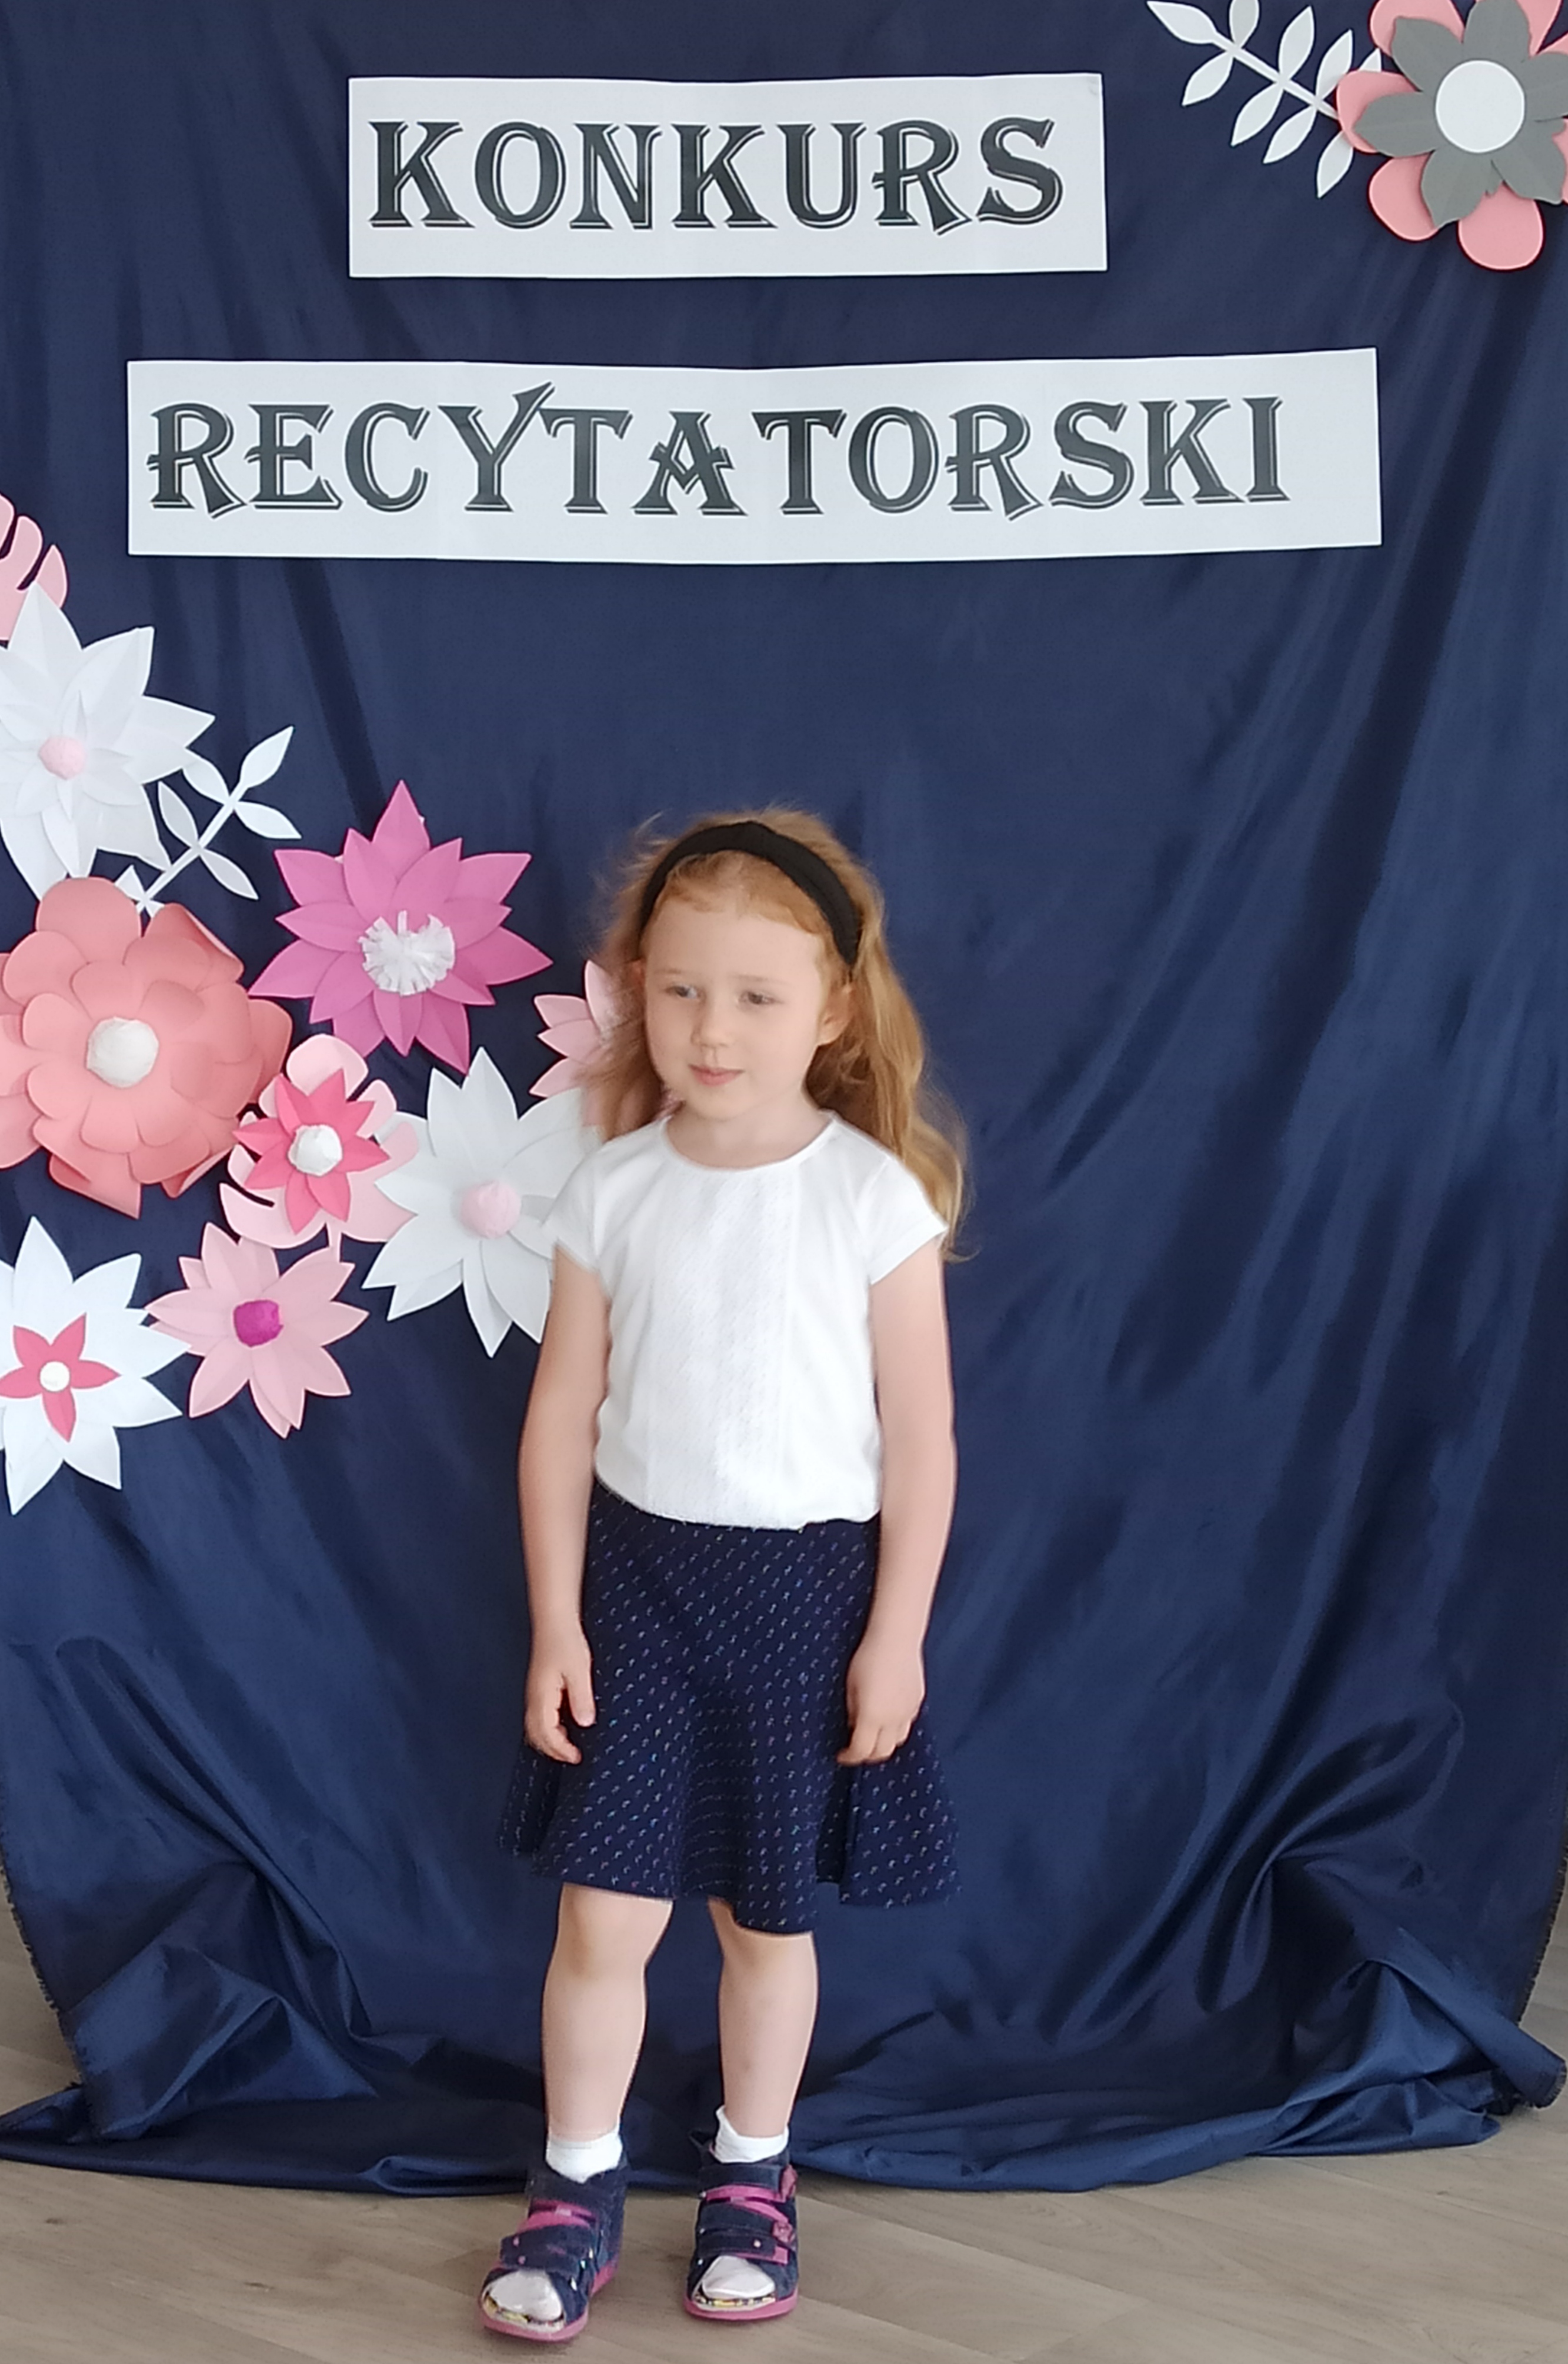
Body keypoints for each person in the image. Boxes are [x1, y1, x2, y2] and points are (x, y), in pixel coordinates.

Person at [477, 808, 966, 2341]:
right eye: (681, 988)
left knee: (766, 1924)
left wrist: (895, 1638)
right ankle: (574, 2188)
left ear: (833, 1009)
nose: (711, 1027)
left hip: (807, 1604)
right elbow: (560, 1420)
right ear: (639, 989)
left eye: (756, 995)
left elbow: (924, 1442)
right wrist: (555, 1619)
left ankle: (751, 2176)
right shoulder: (613, 1189)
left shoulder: (872, 1198)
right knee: (602, 1923)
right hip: (636, 1596)